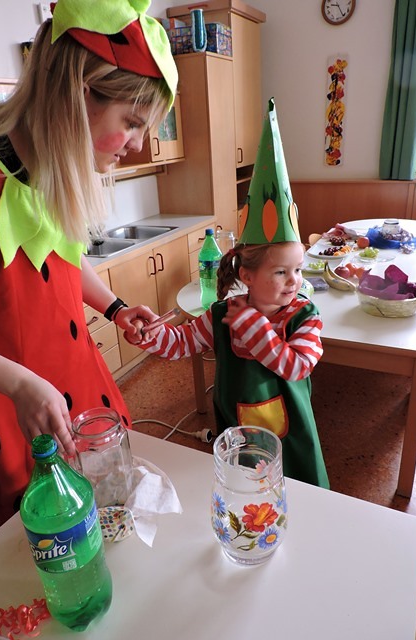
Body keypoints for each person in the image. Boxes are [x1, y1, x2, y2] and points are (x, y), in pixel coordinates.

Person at [0, 0, 177, 543]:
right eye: (132, 122)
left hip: (72, 394)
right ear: (81, 94)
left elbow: (58, 258)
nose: (138, 146)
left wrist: (116, 307)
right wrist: (18, 382)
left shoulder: (47, 165)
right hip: (2, 415)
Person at [127, 100, 329, 489]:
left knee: (297, 492)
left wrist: (254, 325)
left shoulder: (306, 316)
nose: (294, 281)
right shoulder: (223, 313)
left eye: (298, 269)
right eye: (281, 272)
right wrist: (152, 336)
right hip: (237, 432)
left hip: (292, 438)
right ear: (248, 275)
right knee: (243, 491)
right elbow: (182, 342)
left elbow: (296, 367)